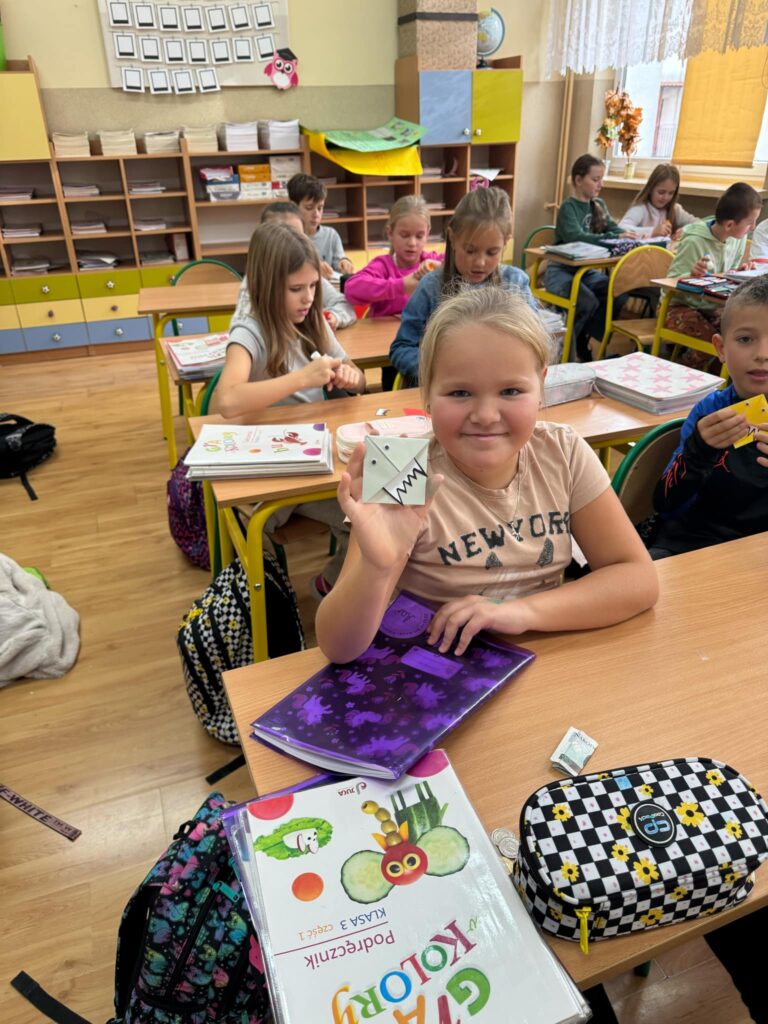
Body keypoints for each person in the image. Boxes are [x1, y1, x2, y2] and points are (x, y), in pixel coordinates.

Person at [316, 287, 658, 665]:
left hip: (544, 657)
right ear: (427, 392)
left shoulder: (563, 451)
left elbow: (637, 579)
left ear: (541, 386)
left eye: (511, 390)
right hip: (440, 669)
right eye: (460, 393)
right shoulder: (401, 469)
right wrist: (376, 569)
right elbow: (339, 648)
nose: (485, 415)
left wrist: (519, 612)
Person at [213, 221, 366, 597]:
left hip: (313, 463)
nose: (308, 298)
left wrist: (350, 376)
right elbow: (227, 401)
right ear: (267, 286)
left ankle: (330, 585)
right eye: (296, 289)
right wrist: (302, 379)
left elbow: (359, 378)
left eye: (313, 286)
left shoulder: (314, 323)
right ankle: (332, 589)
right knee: (363, 516)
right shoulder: (250, 332)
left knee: (374, 514)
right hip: (271, 474)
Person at [648, 274, 768, 560]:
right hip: (697, 545)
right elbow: (666, 505)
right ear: (721, 349)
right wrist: (698, 451)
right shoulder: (709, 413)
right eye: (745, 339)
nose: (763, 354)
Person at [388, 188, 538, 384]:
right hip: (448, 391)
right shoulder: (431, 287)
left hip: (501, 389)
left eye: (492, 252)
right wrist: (437, 370)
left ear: (506, 242)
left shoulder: (515, 283)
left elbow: (536, 344)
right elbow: (402, 348)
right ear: (452, 238)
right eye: (470, 250)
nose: (480, 262)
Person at [544, 153, 637, 361]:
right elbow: (576, 236)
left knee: (618, 292)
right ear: (578, 180)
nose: (600, 184)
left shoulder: (598, 204)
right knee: (586, 302)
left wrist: (628, 235)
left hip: (585, 272)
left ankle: (583, 338)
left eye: (601, 179)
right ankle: (568, 350)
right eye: (595, 179)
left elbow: (614, 228)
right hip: (560, 272)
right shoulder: (568, 207)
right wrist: (613, 236)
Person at [663, 181, 762, 354]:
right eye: (750, 223)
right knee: (718, 346)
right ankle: (685, 368)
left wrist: (738, 273)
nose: (753, 227)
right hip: (676, 308)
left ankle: (708, 369)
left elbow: (723, 277)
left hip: (710, 308)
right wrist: (691, 275)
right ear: (729, 225)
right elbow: (670, 282)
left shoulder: (737, 239)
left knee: (742, 338)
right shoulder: (694, 240)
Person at [229, 200, 357, 333]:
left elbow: (343, 304)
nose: (291, 243)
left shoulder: (306, 275)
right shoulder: (254, 283)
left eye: (297, 236)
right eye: (295, 288)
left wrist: (334, 317)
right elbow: (241, 328)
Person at [344, 195, 443, 317]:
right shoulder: (383, 266)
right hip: (386, 330)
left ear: (427, 234)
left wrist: (441, 266)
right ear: (390, 233)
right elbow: (351, 289)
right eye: (404, 235)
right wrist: (401, 286)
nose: (412, 243)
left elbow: (458, 264)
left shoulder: (432, 261)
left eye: (419, 236)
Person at [287, 173, 354, 279]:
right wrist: (315, 267)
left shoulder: (331, 235)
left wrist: (344, 262)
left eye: (320, 208)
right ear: (293, 207)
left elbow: (339, 263)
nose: (316, 214)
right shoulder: (288, 237)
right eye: (309, 208)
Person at [618, 162, 696, 240]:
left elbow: (699, 224)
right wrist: (652, 231)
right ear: (651, 189)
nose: (665, 197)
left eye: (671, 193)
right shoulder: (641, 208)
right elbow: (621, 228)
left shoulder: (675, 209)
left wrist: (686, 230)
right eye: (661, 192)